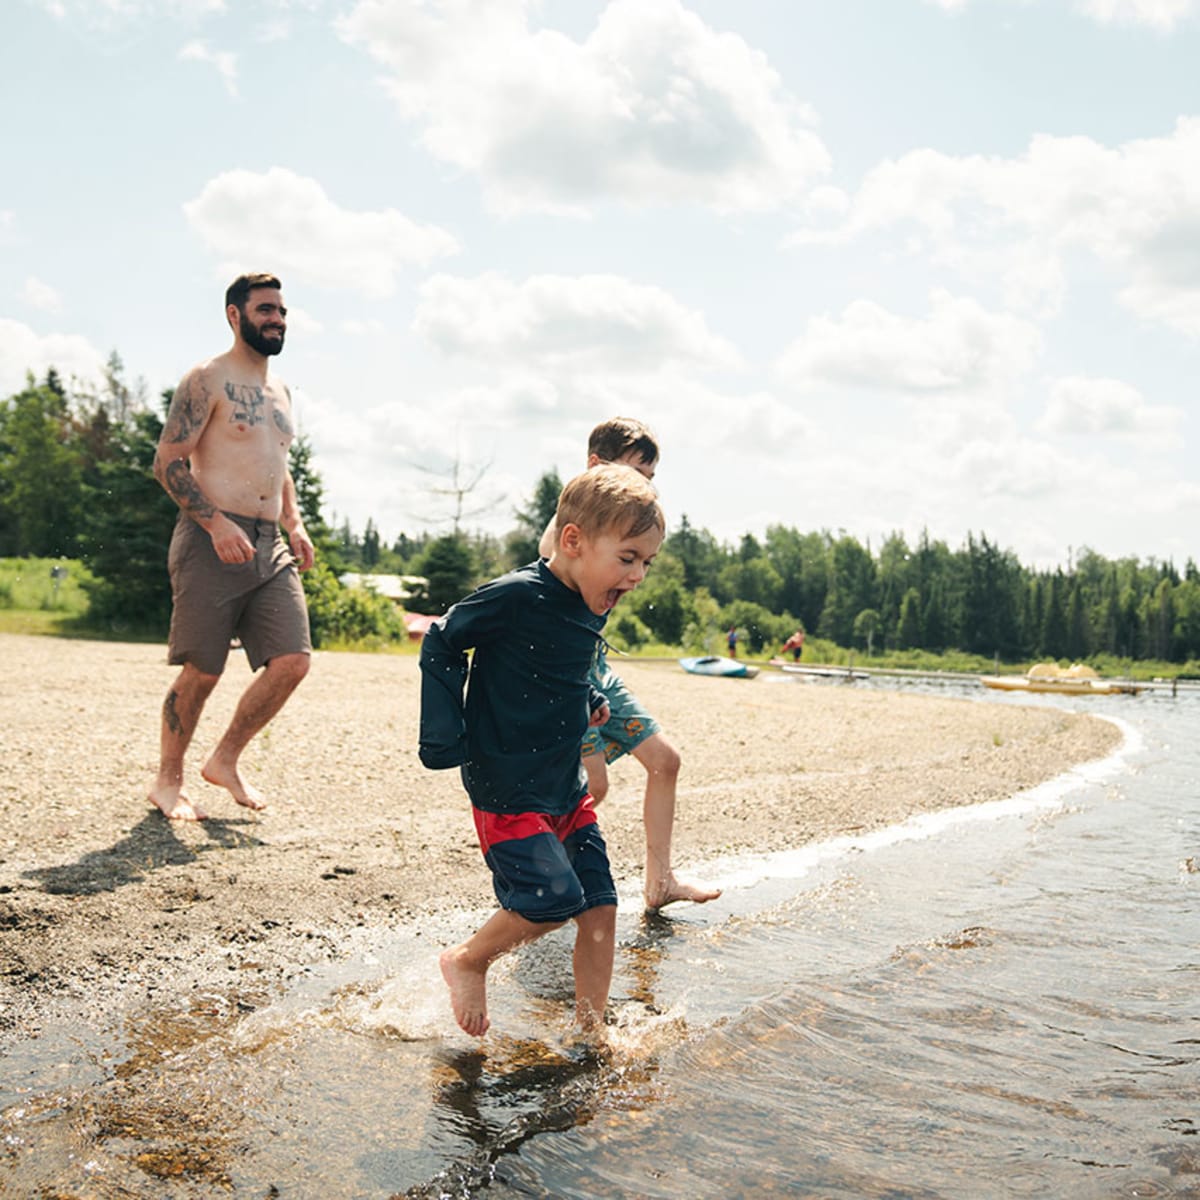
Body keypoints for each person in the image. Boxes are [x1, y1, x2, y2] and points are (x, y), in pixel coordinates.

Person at [420, 464, 664, 1037]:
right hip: (507, 785)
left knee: (600, 906)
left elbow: (556, 669)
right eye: (628, 558)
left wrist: (590, 701)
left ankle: (589, 1029)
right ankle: (468, 960)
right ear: (574, 541)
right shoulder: (518, 595)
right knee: (551, 898)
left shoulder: (588, 603)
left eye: (647, 563)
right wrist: (445, 734)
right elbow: (442, 642)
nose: (638, 576)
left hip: (562, 786)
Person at [147, 272, 315, 821]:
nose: (277, 319)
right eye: (266, 309)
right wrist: (217, 524)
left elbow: (277, 464)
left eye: (282, 311)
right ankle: (168, 781)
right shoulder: (208, 379)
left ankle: (225, 760)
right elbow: (167, 463)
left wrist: (294, 522)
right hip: (210, 537)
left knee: (291, 661)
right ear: (235, 315)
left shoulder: (281, 391)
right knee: (204, 668)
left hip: (270, 543)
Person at [538, 418, 720, 914]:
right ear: (597, 466)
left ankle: (660, 881)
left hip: (598, 670)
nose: (645, 487)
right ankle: (534, 869)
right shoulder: (569, 527)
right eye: (636, 473)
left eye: (650, 478)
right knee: (593, 785)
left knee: (666, 761)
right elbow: (551, 554)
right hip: (570, 676)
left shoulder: (623, 531)